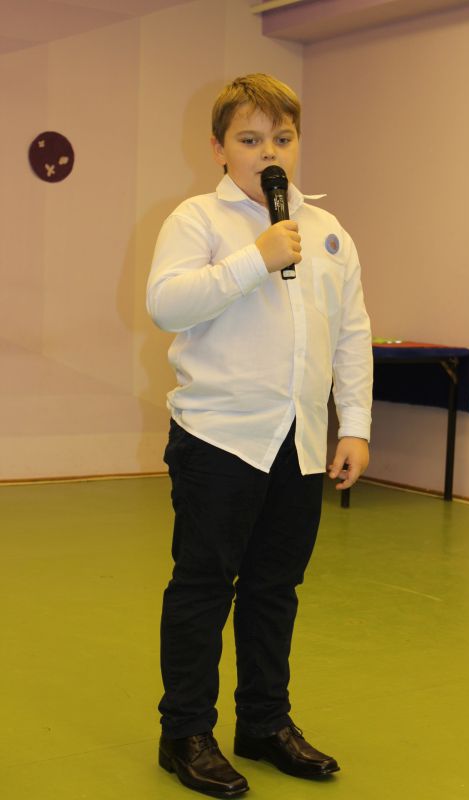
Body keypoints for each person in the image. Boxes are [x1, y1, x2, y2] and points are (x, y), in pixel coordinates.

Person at [146, 73, 373, 798]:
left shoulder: (329, 233)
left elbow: (351, 334)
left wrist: (354, 426)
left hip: (299, 442)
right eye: (249, 139)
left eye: (281, 137)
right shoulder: (197, 220)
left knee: (276, 589)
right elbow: (166, 304)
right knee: (203, 587)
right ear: (219, 149)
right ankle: (185, 732)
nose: (267, 151)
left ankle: (264, 723)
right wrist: (256, 257)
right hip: (218, 438)